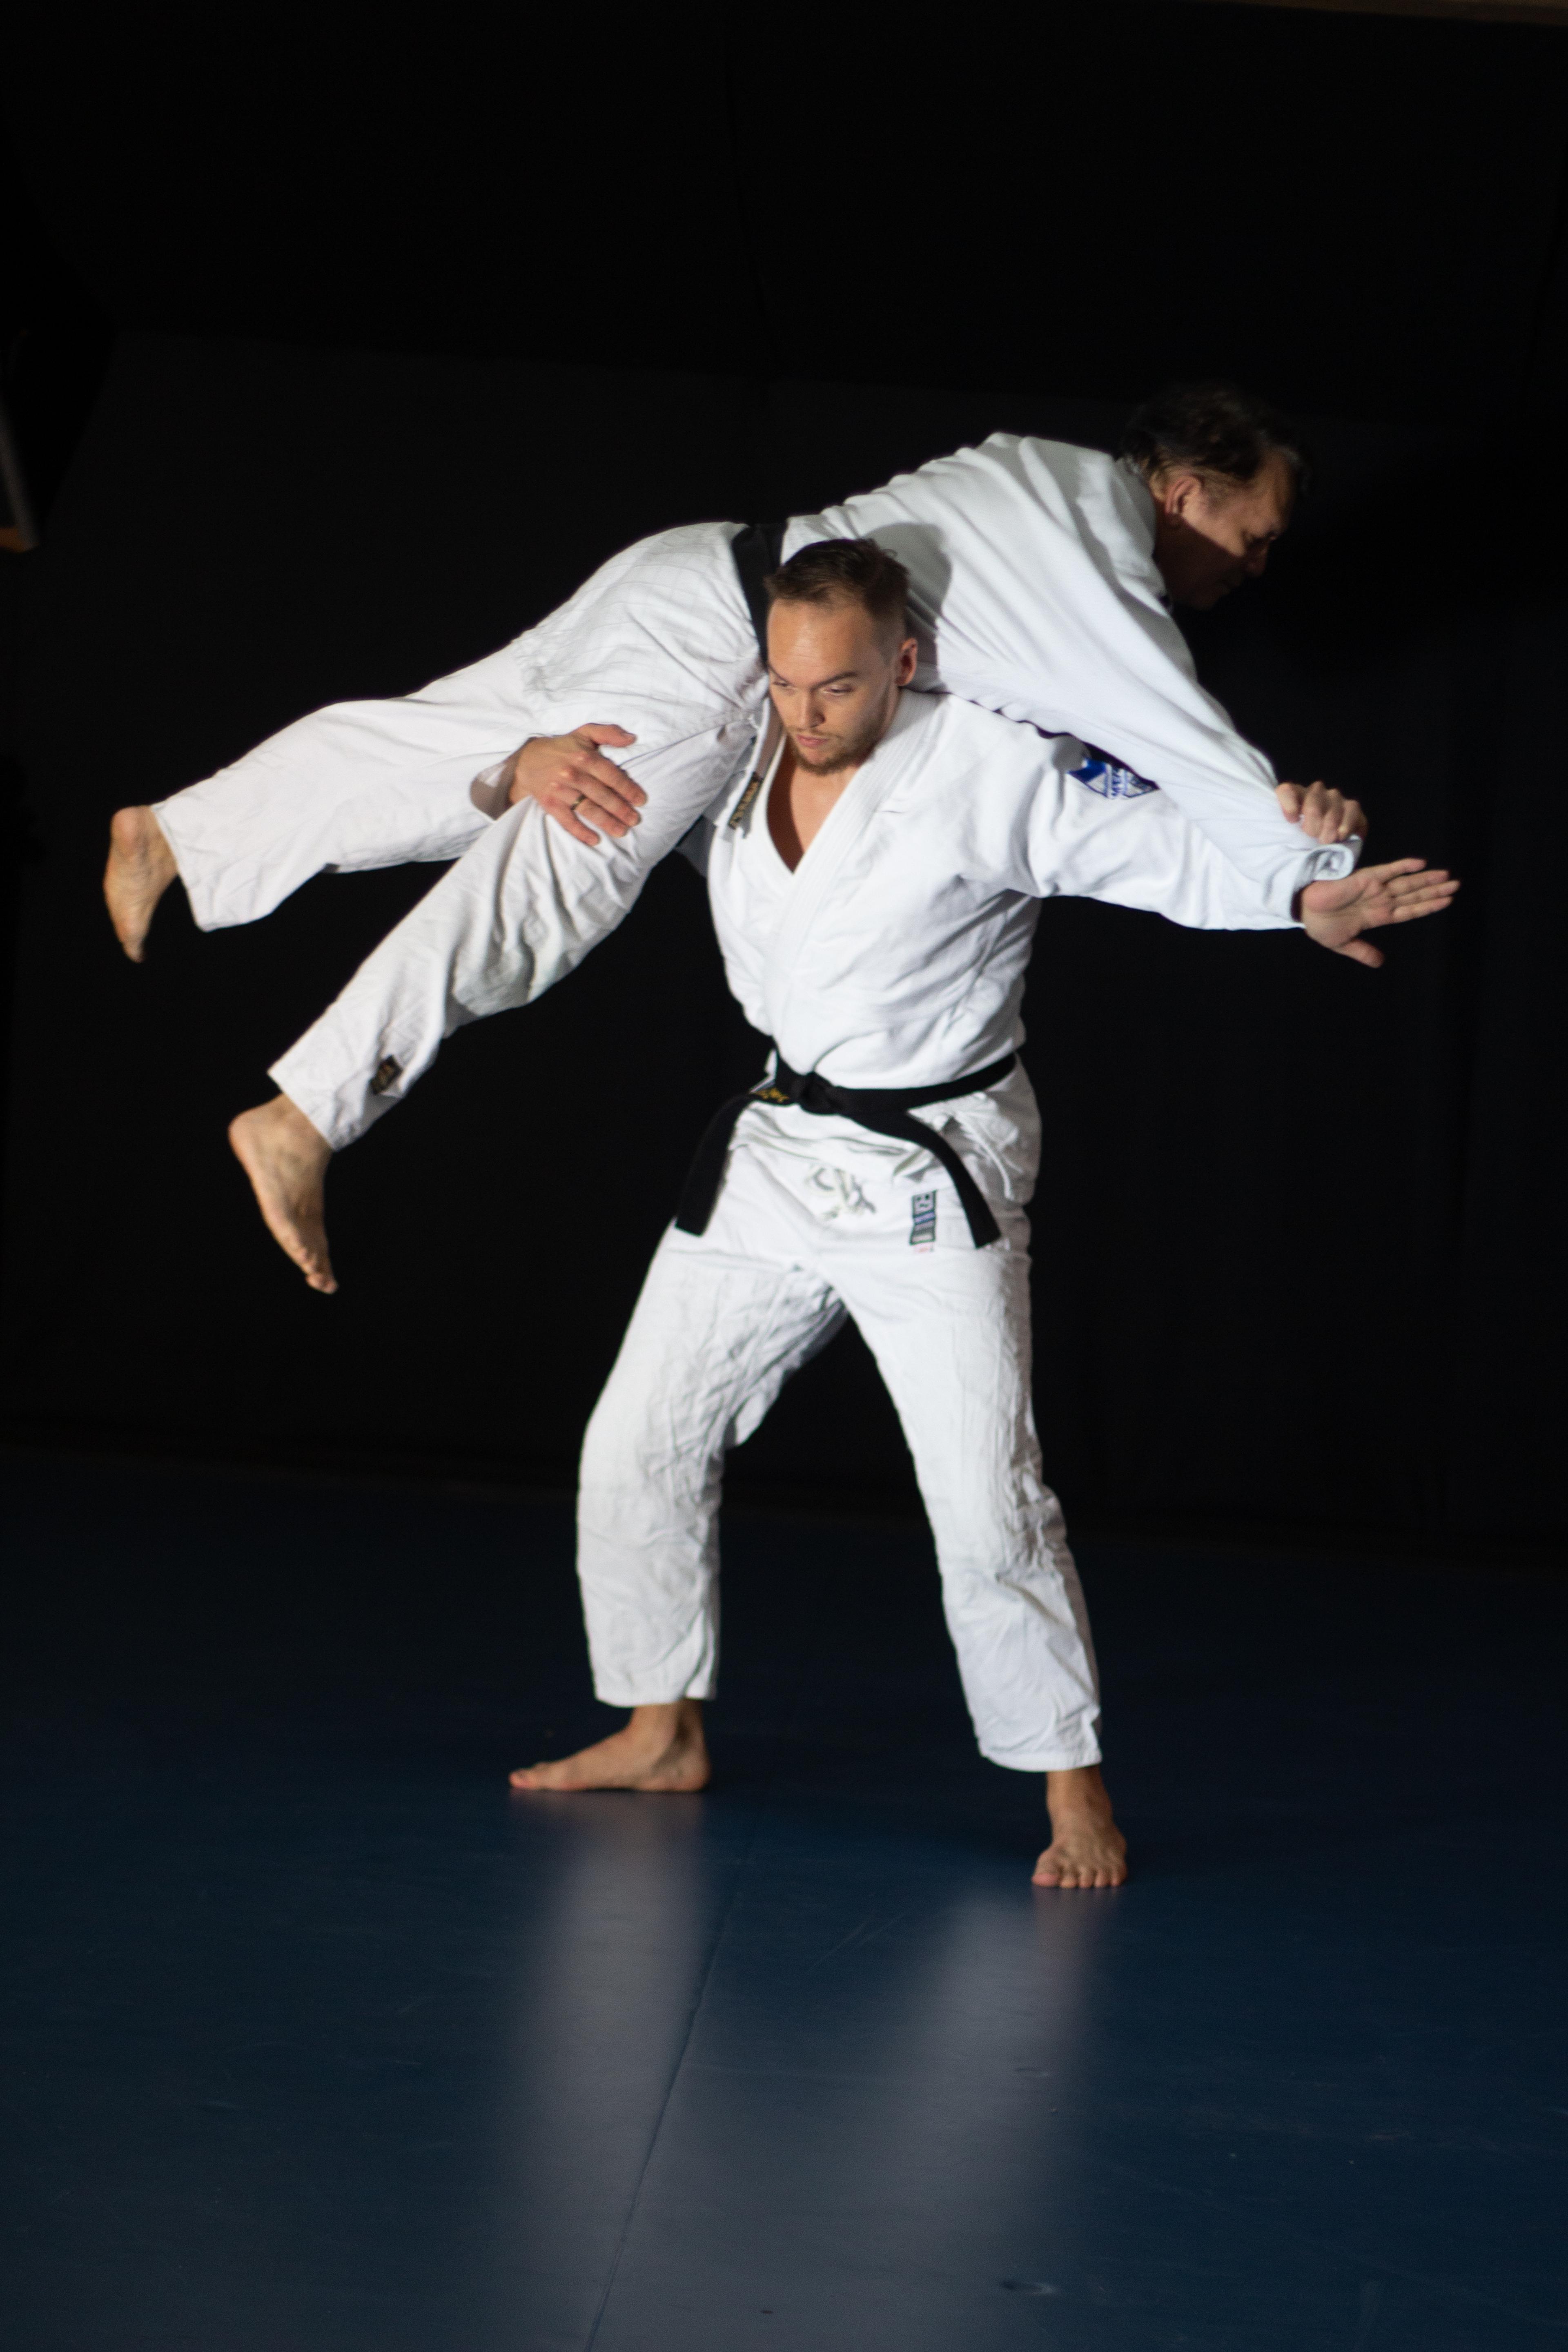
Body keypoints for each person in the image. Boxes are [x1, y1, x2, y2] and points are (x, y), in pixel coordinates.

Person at [434, 537, 1453, 1890]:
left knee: (984, 1499)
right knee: (636, 1440)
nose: (806, 714)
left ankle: (1072, 1788)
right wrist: (509, 767)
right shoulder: (736, 745)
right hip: (781, 1151)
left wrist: (1297, 883)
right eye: (789, 683)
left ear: (904, 660)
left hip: (930, 1174)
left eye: (840, 686)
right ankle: (658, 1724)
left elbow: (1157, 842)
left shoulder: (988, 763)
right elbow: (540, 784)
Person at [105, 382, 1359, 987]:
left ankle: (178, 829)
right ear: (1186, 490)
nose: (1258, 565)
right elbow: (1170, 726)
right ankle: (316, 1108)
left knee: (453, 746)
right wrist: (1306, 872)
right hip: (721, 637)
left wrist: (1272, 825)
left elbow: (1134, 736)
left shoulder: (1038, 471)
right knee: (574, 854)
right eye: (1258, 532)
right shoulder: (1094, 557)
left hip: (687, 573)